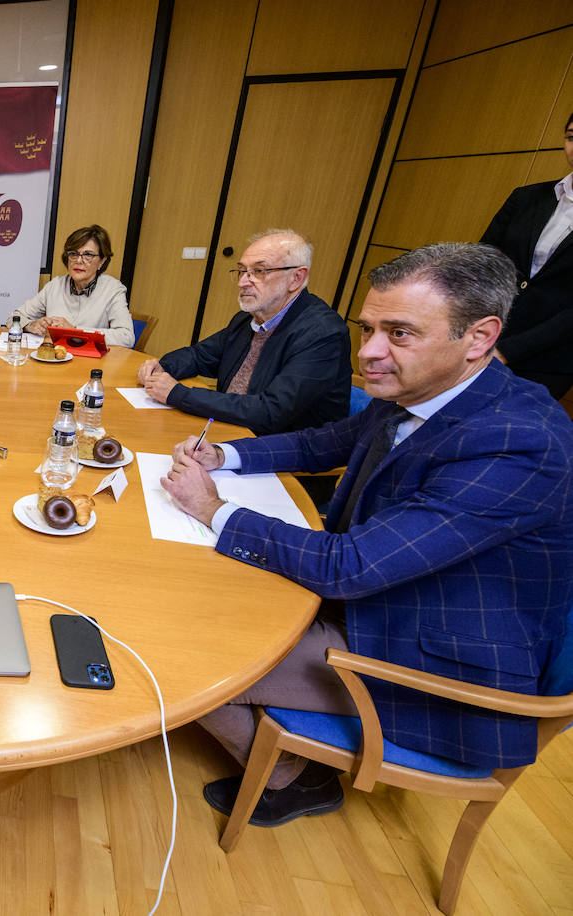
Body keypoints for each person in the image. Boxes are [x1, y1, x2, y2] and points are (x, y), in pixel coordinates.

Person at [160, 243, 573, 827]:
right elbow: (319, 443)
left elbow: (348, 566)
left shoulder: (517, 442)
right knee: (194, 590)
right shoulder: (429, 388)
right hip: (383, 599)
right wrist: (222, 453)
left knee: (181, 650)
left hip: (429, 662)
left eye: (398, 334)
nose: (370, 353)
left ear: (478, 337)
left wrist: (214, 509)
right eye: (369, 329)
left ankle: (293, 783)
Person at [136, 229, 351, 435]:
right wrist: (162, 367)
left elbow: (271, 412)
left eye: (259, 271)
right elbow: (200, 355)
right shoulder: (249, 319)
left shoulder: (323, 334)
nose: (242, 282)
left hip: (276, 452)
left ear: (296, 278)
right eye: (242, 271)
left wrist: (178, 394)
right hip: (228, 429)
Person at [480, 110, 573, 398]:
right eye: (571, 137)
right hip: (485, 335)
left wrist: (508, 350)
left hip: (549, 358)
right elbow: (483, 262)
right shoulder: (527, 197)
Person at [16, 224, 134, 347]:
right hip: (54, 360)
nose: (78, 261)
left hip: (92, 363)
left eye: (88, 255)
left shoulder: (113, 289)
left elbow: (126, 337)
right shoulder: (55, 285)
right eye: (74, 254)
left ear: (102, 261)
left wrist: (75, 331)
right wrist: (30, 326)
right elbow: (16, 317)